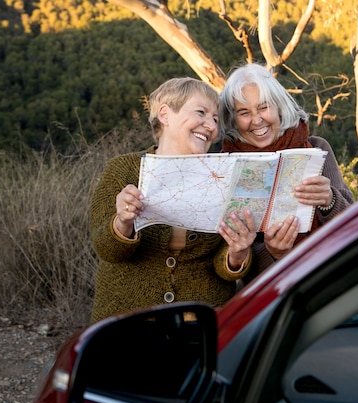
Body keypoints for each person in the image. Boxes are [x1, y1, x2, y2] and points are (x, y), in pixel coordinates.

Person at [89, 77, 256, 323]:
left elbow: (225, 268)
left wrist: (237, 253)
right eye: (201, 112)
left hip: (203, 326)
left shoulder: (224, 175)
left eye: (215, 119)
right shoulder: (123, 169)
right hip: (127, 324)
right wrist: (123, 222)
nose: (210, 126)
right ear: (165, 114)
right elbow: (106, 249)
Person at [219, 62, 354, 278]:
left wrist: (329, 200)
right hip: (272, 298)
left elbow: (354, 224)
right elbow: (230, 266)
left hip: (332, 278)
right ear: (232, 118)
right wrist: (273, 254)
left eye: (263, 107)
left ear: (279, 106)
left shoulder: (317, 148)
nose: (256, 120)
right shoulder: (225, 167)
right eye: (244, 112)